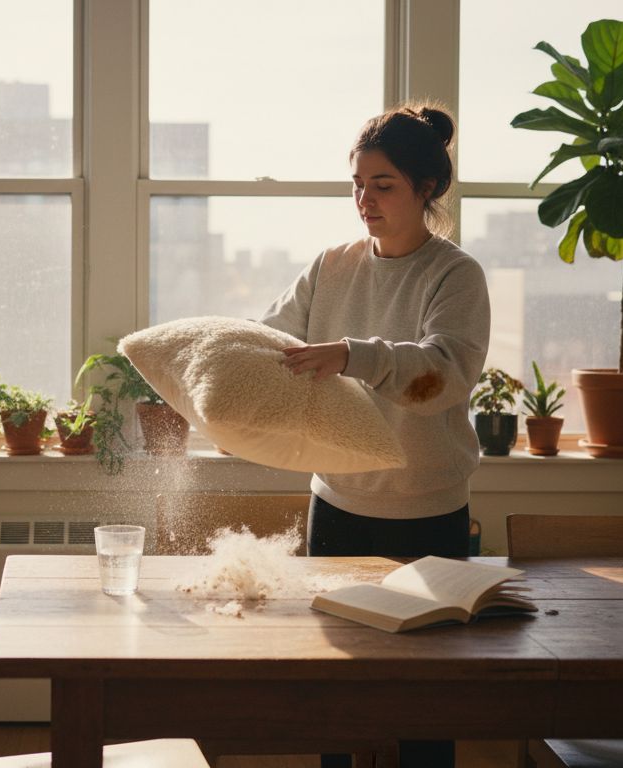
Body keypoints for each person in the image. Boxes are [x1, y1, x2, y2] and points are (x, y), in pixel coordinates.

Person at [259, 103, 489, 768]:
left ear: (426, 188)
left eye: (383, 185)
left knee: (425, 702)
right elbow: (271, 344)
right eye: (357, 184)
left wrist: (351, 355)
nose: (365, 200)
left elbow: (443, 376)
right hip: (336, 506)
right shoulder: (331, 266)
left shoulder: (456, 275)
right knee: (337, 697)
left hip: (429, 512)